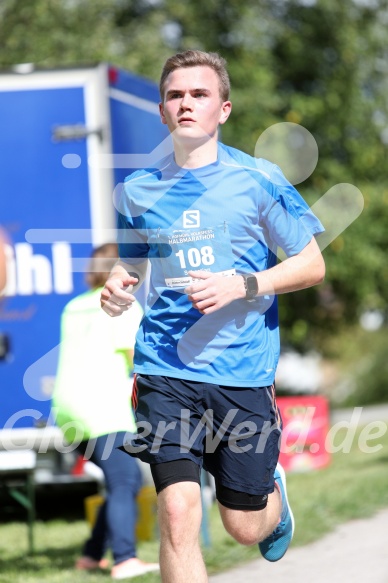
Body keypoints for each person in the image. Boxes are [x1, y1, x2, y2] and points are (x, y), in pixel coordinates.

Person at [100, 50, 326, 583]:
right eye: (176, 95)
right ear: (161, 111)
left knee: (244, 527)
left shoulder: (259, 181)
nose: (186, 104)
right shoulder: (137, 191)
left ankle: (270, 491)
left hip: (241, 371)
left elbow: (311, 265)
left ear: (223, 109)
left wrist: (243, 284)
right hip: (165, 368)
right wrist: (116, 282)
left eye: (199, 94)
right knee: (177, 513)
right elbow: (131, 261)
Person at [52, 243, 159, 580]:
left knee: (118, 482)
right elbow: (138, 360)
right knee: (126, 479)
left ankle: (91, 555)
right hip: (104, 410)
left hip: (68, 411)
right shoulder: (123, 306)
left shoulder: (74, 306)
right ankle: (125, 559)